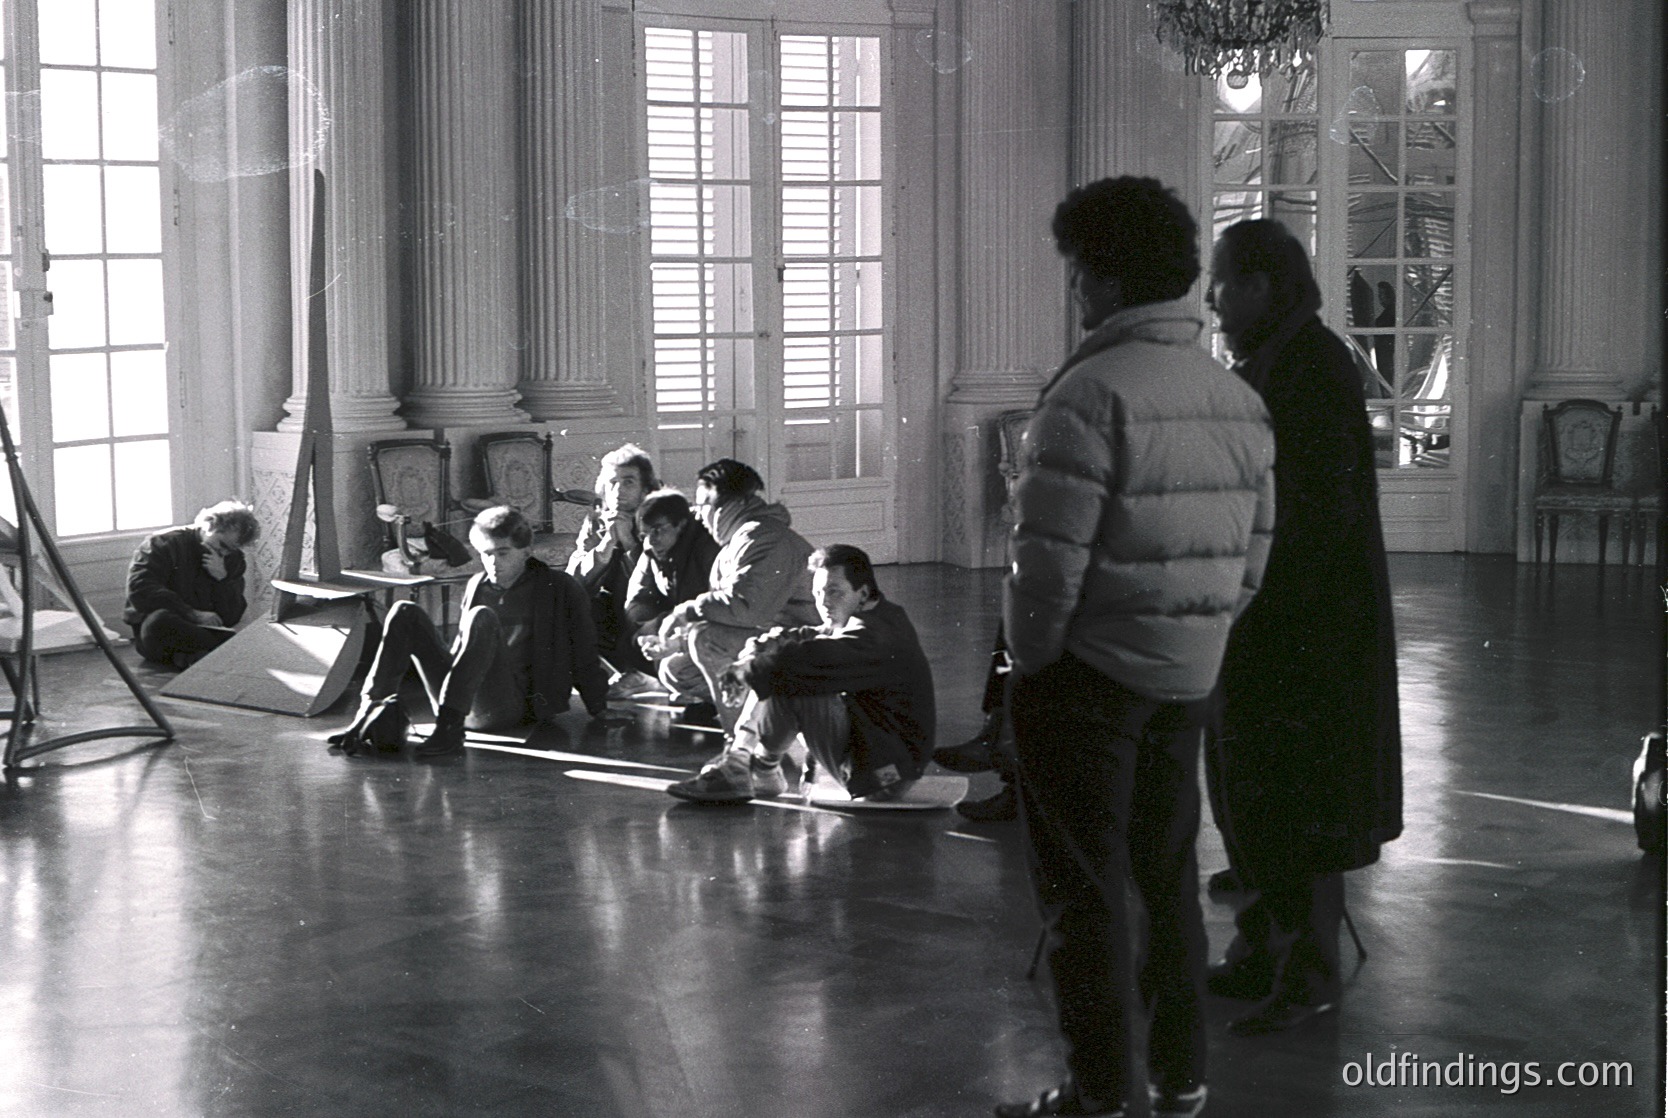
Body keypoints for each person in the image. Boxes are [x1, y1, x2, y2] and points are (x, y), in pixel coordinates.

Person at [996, 177, 1275, 1118]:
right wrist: (1195, 635)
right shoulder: (1235, 397)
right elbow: (1252, 557)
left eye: (1078, 273)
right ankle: (1181, 1078)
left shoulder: (1086, 393)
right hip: (1186, 676)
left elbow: (1046, 571)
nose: (1074, 293)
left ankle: (1100, 1090)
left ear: (1105, 279)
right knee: (1170, 882)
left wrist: (1031, 662)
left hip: (1086, 685)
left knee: (1083, 896)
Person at [1201, 218, 1402, 1037]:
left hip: (1304, 630)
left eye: (1221, 280)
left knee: (1303, 801)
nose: (1210, 296)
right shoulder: (1283, 359)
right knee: (1259, 792)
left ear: (1261, 285)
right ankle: (1266, 948)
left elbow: (1309, 516)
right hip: (1278, 622)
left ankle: (1307, 969)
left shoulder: (1310, 367)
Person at [329, 505, 611, 761]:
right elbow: (463, 653)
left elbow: (584, 651)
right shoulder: (479, 585)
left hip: (514, 704)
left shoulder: (558, 587)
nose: (494, 563)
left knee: (481, 618)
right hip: (464, 702)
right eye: (487, 554)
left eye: (503, 553)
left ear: (526, 551)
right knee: (404, 611)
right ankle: (367, 714)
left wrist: (599, 707)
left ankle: (449, 731)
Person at [666, 545, 935, 804]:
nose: (824, 603)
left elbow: (813, 657)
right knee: (783, 664)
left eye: (834, 592)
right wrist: (765, 646)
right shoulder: (875, 614)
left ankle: (749, 765)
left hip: (885, 779)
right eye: (818, 593)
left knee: (792, 674)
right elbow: (819, 635)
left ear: (862, 593)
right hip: (879, 757)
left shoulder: (875, 635)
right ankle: (755, 767)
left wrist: (746, 669)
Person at [653, 458, 818, 734]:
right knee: (676, 667)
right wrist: (676, 642)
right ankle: (759, 710)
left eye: (705, 505)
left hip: (808, 645)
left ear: (737, 504)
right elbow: (729, 613)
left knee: (707, 640)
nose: (698, 514)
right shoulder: (741, 540)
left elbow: (746, 608)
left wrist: (686, 612)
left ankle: (744, 740)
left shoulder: (766, 538)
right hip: (774, 640)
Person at [123, 500, 261, 669]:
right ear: (209, 525)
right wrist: (192, 614)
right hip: (164, 630)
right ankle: (221, 651)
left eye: (230, 550)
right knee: (158, 623)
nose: (223, 553)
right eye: (222, 545)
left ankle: (195, 656)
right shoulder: (162, 543)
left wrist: (222, 579)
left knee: (221, 635)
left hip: (205, 631)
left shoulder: (233, 558)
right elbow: (140, 590)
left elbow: (232, 616)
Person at [566, 444, 658, 685]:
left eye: (628, 482)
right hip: (606, 608)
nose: (618, 491)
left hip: (648, 607)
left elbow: (662, 582)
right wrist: (606, 544)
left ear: (645, 490)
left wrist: (629, 543)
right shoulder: (596, 521)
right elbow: (573, 580)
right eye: (612, 483)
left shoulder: (659, 521)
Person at [622, 489, 720, 653]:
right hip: (672, 630)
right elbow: (638, 600)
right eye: (644, 534)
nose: (651, 540)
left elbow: (720, 608)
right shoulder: (652, 549)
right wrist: (647, 629)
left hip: (708, 634)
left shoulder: (708, 547)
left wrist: (661, 624)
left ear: (680, 524)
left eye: (657, 530)